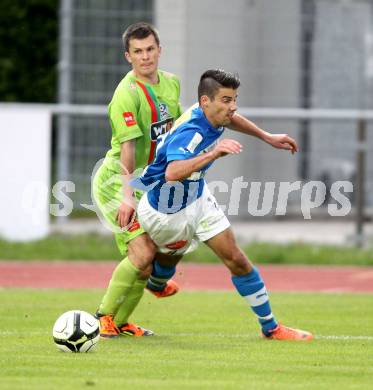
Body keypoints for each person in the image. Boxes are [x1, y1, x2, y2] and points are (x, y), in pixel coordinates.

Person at [94, 22, 303, 339]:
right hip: (122, 181)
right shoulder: (127, 95)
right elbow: (128, 151)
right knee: (142, 255)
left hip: (160, 183)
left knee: (155, 258)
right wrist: (126, 197)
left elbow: (193, 123)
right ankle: (103, 318)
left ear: (160, 50)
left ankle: (128, 315)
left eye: (150, 49)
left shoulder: (171, 84)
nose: (146, 57)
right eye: (138, 52)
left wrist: (264, 135)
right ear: (128, 56)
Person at [131, 69, 313, 341]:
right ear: (206, 102)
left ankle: (271, 327)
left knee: (236, 258)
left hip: (197, 197)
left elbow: (232, 120)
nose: (233, 106)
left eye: (234, 99)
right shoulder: (190, 132)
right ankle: (156, 282)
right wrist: (215, 152)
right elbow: (172, 172)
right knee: (169, 258)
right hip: (166, 208)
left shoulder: (210, 112)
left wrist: (267, 136)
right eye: (226, 100)